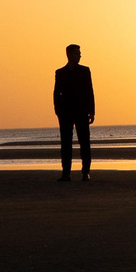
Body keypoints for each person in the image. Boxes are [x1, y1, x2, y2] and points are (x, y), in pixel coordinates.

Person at [53, 44, 94, 182]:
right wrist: (57, 110)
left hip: (81, 111)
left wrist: (91, 111)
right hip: (65, 112)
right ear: (70, 55)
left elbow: (89, 91)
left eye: (80, 53)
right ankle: (66, 173)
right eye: (77, 53)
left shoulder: (84, 71)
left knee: (84, 142)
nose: (80, 55)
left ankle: (85, 172)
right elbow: (56, 92)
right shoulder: (60, 73)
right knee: (66, 143)